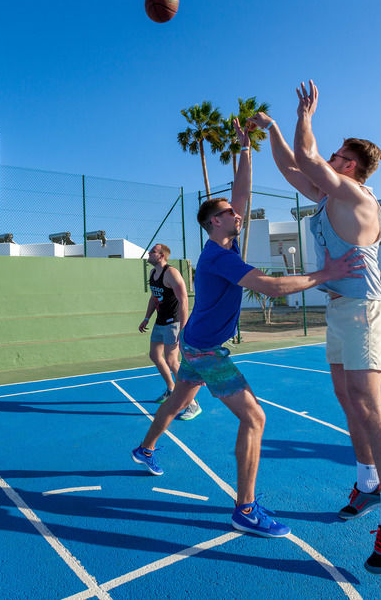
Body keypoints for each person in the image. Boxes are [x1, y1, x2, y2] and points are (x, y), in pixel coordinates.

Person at [131, 118, 364, 538]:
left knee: (179, 399)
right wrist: (322, 273)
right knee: (255, 418)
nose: (237, 213)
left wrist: (244, 149)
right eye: (228, 213)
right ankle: (246, 508)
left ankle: (145, 448)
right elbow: (271, 287)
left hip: (196, 344)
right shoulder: (218, 257)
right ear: (213, 223)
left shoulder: (226, 240)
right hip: (205, 349)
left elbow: (241, 193)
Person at [247, 80, 381, 575]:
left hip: (366, 307)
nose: (332, 159)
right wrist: (275, 129)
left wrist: (304, 115)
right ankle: (367, 483)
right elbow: (291, 164)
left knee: (370, 404)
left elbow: (306, 156)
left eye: (341, 157)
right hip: (339, 308)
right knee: (348, 400)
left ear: (355, 168)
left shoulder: (358, 197)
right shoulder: (328, 198)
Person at [139, 243, 198, 419]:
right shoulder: (152, 273)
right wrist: (147, 317)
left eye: (153, 252)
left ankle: (192, 403)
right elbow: (154, 298)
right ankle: (172, 388)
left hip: (173, 323)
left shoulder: (171, 273)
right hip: (160, 321)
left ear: (162, 255)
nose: (149, 253)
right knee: (155, 356)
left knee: (172, 361)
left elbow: (184, 301)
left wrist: (183, 328)